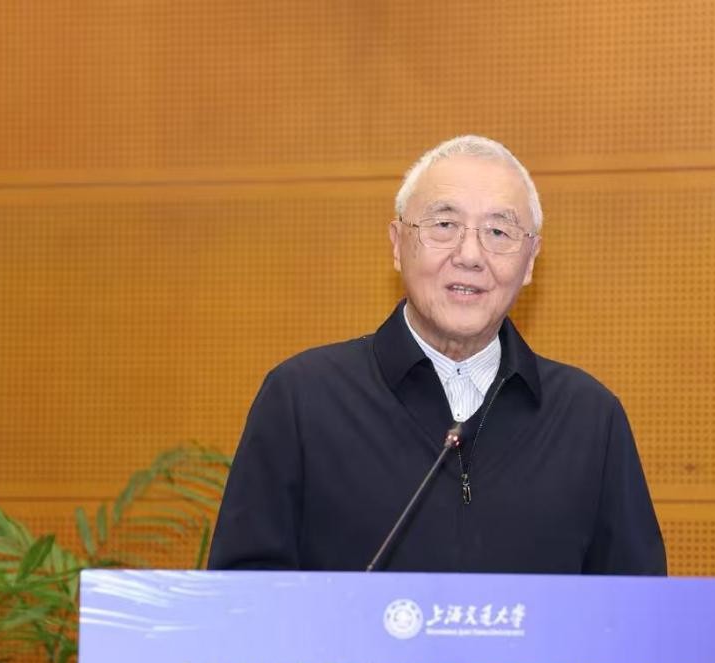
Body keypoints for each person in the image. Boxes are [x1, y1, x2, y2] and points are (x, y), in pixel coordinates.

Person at [208, 136, 665, 575]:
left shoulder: (589, 418)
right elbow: (243, 596)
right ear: (397, 244)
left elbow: (637, 608)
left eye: (498, 231)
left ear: (530, 261)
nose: (470, 255)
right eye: (444, 226)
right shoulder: (302, 399)